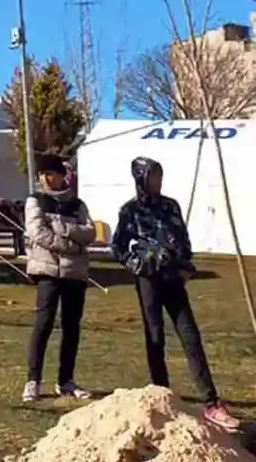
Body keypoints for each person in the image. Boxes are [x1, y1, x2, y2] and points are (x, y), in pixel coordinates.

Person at [112, 156, 240, 433]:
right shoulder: (130, 211)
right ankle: (162, 397)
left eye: (160, 175)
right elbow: (119, 246)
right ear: (141, 179)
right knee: (155, 337)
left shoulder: (171, 206)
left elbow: (183, 239)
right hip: (149, 280)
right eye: (154, 176)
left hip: (173, 279)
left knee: (190, 336)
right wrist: (137, 264)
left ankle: (211, 402)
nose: (159, 181)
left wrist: (187, 267)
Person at [22, 154, 95, 404]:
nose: (45, 179)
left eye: (50, 174)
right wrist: (70, 245)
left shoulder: (77, 205)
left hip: (74, 273)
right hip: (48, 270)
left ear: (62, 175)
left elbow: (90, 232)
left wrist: (64, 229)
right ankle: (33, 380)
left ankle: (66, 380)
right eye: (42, 175)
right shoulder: (36, 200)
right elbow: (37, 232)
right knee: (43, 323)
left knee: (71, 327)